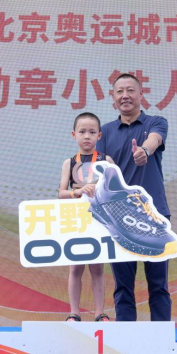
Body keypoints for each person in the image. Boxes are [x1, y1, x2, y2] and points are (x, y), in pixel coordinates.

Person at [97, 74, 172, 321]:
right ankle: (125, 337)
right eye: (119, 91)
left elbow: (154, 139)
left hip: (154, 216)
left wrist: (144, 151)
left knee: (158, 285)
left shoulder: (156, 122)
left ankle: (161, 336)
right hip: (118, 218)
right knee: (123, 287)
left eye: (130, 90)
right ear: (113, 97)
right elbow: (98, 167)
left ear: (141, 94)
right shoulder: (104, 132)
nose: (125, 96)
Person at [58, 112, 114, 322]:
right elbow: (61, 193)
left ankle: (100, 312)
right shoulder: (69, 162)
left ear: (99, 135)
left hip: (99, 219)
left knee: (98, 268)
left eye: (92, 132)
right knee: (75, 267)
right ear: (74, 134)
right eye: (82, 132)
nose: (87, 136)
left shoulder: (106, 161)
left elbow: (115, 190)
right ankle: (74, 312)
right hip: (76, 219)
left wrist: (99, 190)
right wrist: (78, 192)